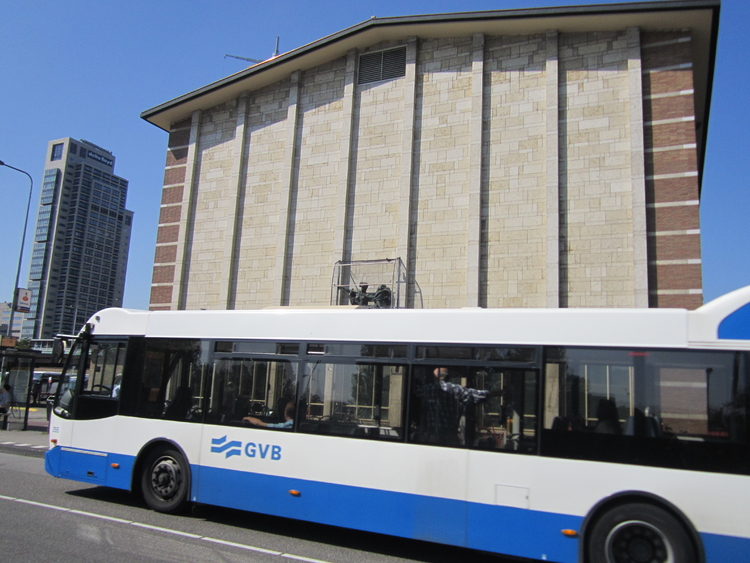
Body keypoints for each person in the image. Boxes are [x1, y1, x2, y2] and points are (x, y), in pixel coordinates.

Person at [413, 367, 500, 446]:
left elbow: (414, 394)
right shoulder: (456, 389)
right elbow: (477, 395)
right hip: (450, 436)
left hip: (432, 436)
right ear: (448, 377)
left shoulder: (426, 389)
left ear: (434, 377)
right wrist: (496, 392)